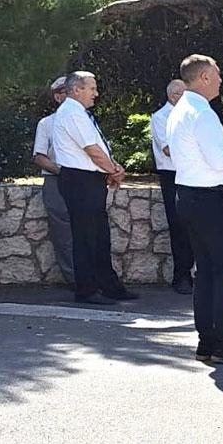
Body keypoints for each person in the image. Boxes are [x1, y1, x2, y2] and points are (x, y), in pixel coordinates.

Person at [167, 54, 223, 365]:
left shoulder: (181, 110)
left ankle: (207, 341)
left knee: (207, 272)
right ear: (204, 77)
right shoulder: (202, 114)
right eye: (217, 73)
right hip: (209, 199)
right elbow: (220, 162)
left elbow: (206, 156)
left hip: (190, 195)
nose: (221, 79)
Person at [53, 71, 138, 305]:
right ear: (76, 89)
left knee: (100, 236)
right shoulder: (72, 112)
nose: (96, 93)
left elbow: (98, 148)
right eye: (92, 88)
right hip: (80, 180)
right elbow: (92, 150)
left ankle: (107, 285)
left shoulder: (79, 113)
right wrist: (113, 170)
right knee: (86, 237)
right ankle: (87, 290)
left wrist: (112, 168)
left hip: (89, 179)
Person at [32, 76, 75, 286]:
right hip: (57, 181)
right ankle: (73, 277)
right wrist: (63, 172)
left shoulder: (85, 121)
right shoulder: (47, 124)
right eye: (69, 93)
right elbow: (39, 156)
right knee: (63, 233)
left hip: (84, 182)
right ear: (58, 97)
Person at [152, 78, 193, 294]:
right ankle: (181, 275)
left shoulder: (190, 116)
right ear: (173, 95)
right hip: (172, 175)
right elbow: (168, 149)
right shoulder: (161, 117)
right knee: (179, 226)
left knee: (195, 224)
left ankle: (195, 272)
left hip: (192, 173)